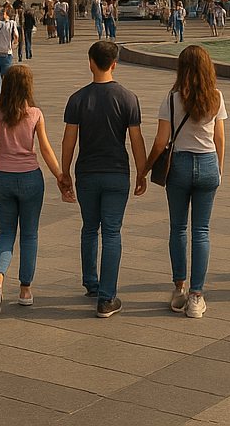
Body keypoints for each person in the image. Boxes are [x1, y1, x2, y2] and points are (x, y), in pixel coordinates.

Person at [60, 40, 147, 318]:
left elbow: (69, 141)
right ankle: (107, 298)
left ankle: (91, 282)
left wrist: (64, 173)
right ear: (114, 63)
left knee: (89, 227)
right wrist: (142, 172)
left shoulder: (77, 99)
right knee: (111, 232)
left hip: (86, 172)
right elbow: (136, 140)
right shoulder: (128, 98)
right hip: (117, 173)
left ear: (90, 62)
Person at [143, 45, 227, 319]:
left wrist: (144, 169)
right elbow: (220, 138)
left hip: (178, 165)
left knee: (178, 228)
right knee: (201, 231)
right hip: (207, 164)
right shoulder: (216, 97)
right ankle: (196, 296)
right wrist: (220, 168)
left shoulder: (172, 99)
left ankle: (179, 288)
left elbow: (160, 142)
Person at [0, 66, 67, 314]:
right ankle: (25, 290)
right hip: (30, 178)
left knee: (5, 233)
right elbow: (46, 149)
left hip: (3, 177)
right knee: (29, 235)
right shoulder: (35, 114)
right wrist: (59, 175)